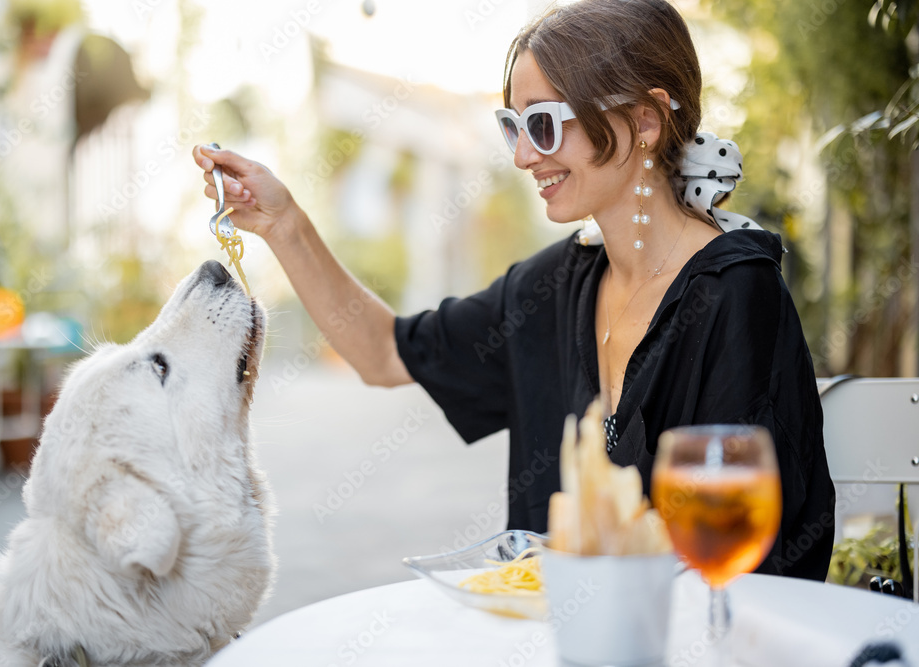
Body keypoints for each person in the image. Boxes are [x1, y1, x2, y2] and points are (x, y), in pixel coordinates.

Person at [192, 0, 835, 580]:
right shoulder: (551, 288)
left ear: (645, 121)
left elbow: (754, 562)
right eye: (513, 126)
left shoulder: (735, 295)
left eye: (546, 125)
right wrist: (283, 223)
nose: (524, 155)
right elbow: (383, 353)